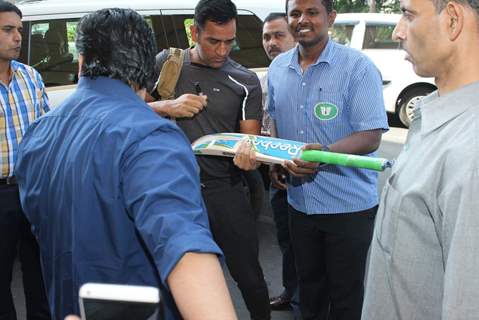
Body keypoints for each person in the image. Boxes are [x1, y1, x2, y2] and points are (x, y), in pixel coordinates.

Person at [15, 8, 236, 320]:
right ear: (147, 69)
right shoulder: (151, 136)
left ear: (81, 62)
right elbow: (185, 247)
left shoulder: (37, 134)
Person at [148, 0, 270, 319]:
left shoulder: (245, 80)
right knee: (175, 277)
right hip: (172, 189)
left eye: (229, 42)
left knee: (248, 276)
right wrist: (166, 107)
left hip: (224, 189)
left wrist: (250, 159)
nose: (221, 51)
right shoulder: (167, 62)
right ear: (194, 31)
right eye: (213, 41)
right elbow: (130, 110)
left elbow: (250, 141)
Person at [267, 0, 389, 319]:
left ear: (330, 18)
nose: (302, 20)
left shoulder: (358, 68)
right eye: (295, 13)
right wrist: (275, 159)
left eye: (311, 13)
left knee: (346, 295)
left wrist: (320, 157)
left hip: (348, 208)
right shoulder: (279, 68)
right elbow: (273, 119)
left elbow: (371, 134)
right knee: (309, 290)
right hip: (299, 204)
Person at [362, 0, 479, 319]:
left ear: (452, 19)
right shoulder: (432, 112)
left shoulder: (471, 147)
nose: (398, 31)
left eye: (408, 14)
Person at [0, 1, 51, 319]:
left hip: (32, 189)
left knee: (41, 275)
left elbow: (46, 134)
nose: (18, 37)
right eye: (8, 30)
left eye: (19, 29)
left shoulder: (30, 77)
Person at [260, 12, 298, 312]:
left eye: (278, 35)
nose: (271, 43)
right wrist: (274, 162)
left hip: (315, 176)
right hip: (279, 174)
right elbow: (270, 121)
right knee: (286, 240)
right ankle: (292, 292)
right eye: (266, 37)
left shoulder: (310, 74)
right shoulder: (269, 75)